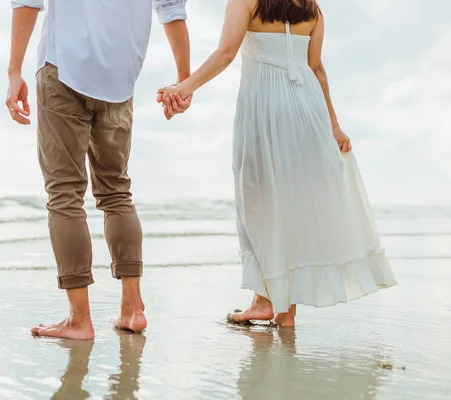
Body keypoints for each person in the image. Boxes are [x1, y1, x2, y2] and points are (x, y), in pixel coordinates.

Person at [158, 0, 397, 327]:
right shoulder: (311, 8)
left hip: (265, 107)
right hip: (308, 108)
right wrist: (334, 125)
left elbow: (225, 53)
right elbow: (317, 69)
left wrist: (182, 87)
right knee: (293, 207)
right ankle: (285, 310)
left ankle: (263, 300)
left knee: (257, 202)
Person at [6, 0, 191, 340]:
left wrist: (13, 70)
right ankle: (132, 308)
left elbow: (28, 2)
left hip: (64, 67)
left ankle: (79, 320)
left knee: (64, 194)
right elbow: (172, 9)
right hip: (119, 79)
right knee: (117, 191)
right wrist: (184, 79)